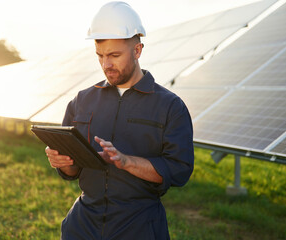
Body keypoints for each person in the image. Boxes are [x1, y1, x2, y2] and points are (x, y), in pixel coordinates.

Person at [45, 2, 194, 239]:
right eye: (100, 56)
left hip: (139, 226)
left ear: (137, 51)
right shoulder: (82, 100)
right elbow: (71, 171)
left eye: (114, 55)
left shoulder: (170, 107)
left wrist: (126, 161)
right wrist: (61, 161)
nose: (106, 65)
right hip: (82, 226)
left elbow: (178, 170)